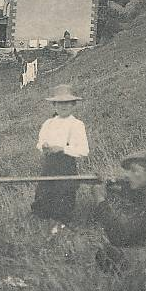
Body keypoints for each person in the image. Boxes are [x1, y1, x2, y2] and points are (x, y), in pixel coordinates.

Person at [92, 150, 146, 274]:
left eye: (134, 170)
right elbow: (129, 191)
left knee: (107, 254)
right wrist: (110, 183)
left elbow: (120, 237)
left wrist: (100, 201)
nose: (128, 175)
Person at [31, 84, 89, 226]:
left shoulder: (77, 124)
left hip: (66, 166)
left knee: (63, 198)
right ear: (54, 105)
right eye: (60, 103)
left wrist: (62, 149)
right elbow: (40, 143)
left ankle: (63, 227)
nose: (63, 106)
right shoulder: (48, 123)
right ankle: (45, 227)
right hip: (49, 166)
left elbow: (84, 150)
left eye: (67, 103)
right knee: (43, 196)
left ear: (73, 104)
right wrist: (43, 147)